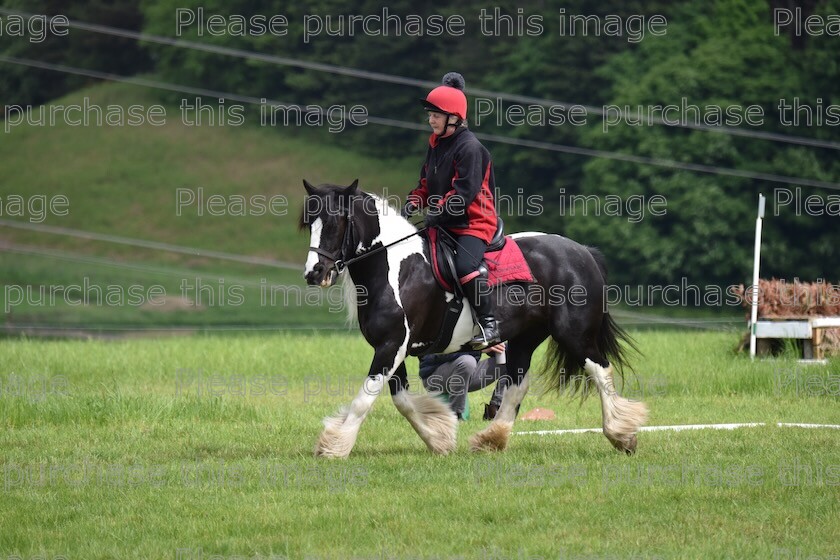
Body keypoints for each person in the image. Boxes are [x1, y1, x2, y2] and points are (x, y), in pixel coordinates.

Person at [402, 72, 501, 350]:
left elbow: (464, 193)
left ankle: (489, 324)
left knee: (465, 266)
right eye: (430, 114)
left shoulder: (471, 148)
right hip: (445, 221)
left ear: (454, 118)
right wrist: (413, 201)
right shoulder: (436, 145)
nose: (430, 119)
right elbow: (426, 184)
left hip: (473, 223)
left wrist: (437, 212)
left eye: (436, 115)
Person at [419, 343, 509, 421]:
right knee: (468, 361)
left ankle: (495, 410)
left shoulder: (480, 325)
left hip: (465, 373)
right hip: (434, 377)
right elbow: (439, 354)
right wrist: (479, 349)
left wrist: (498, 347)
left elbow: (487, 347)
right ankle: (455, 415)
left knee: (511, 357)